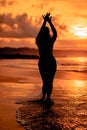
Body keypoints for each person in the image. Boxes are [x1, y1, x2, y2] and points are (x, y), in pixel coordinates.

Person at [36, 13, 57, 102]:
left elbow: (55, 33)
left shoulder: (43, 41)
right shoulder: (41, 41)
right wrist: (47, 22)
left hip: (48, 61)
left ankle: (47, 97)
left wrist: (47, 22)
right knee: (47, 80)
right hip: (46, 62)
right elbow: (54, 33)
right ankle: (45, 97)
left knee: (48, 80)